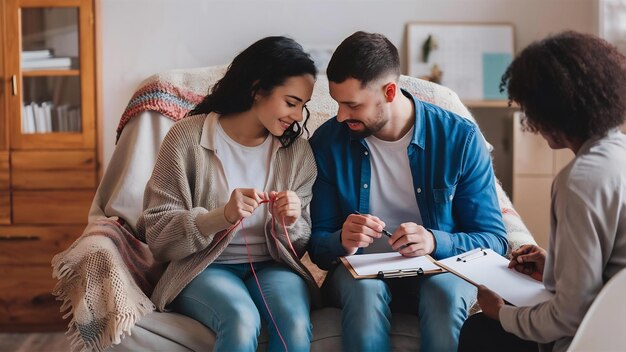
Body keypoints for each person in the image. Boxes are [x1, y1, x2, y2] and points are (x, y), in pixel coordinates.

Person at [308, 31, 508, 352]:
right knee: (364, 291)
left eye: (352, 104)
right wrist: (340, 240)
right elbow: (318, 245)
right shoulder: (328, 142)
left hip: (441, 270)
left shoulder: (460, 138)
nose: (342, 115)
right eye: (337, 103)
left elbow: (495, 241)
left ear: (389, 91)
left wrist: (434, 241)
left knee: (443, 292)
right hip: (359, 274)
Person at [138, 36, 319, 352]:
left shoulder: (298, 151)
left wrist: (290, 221)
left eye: (303, 105)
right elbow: (159, 237)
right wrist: (220, 216)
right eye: (291, 102)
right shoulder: (185, 139)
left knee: (293, 320)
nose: (297, 115)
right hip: (204, 268)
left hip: (272, 268)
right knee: (240, 318)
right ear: (257, 88)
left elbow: (299, 245)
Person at [458, 31, 626, 352]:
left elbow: (570, 316)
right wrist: (553, 267)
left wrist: (502, 314)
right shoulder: (620, 156)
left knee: (479, 331)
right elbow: (611, 271)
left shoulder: (580, 180)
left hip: (595, 339)